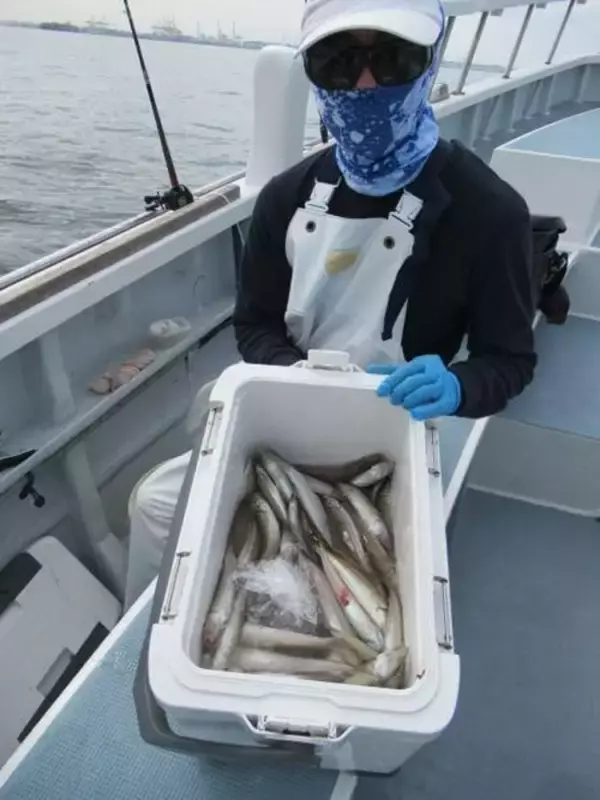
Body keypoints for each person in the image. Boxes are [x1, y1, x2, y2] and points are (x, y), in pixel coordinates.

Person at [124, 0, 563, 608]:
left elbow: (509, 362)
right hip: (287, 413)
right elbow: (255, 324)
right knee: (153, 506)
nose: (365, 83)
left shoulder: (490, 212)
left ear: (431, 63)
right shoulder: (285, 197)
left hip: (394, 428)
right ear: (311, 71)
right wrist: (294, 373)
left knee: (383, 580)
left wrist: (458, 385)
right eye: (338, 61)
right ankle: (154, 639)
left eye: (393, 58)